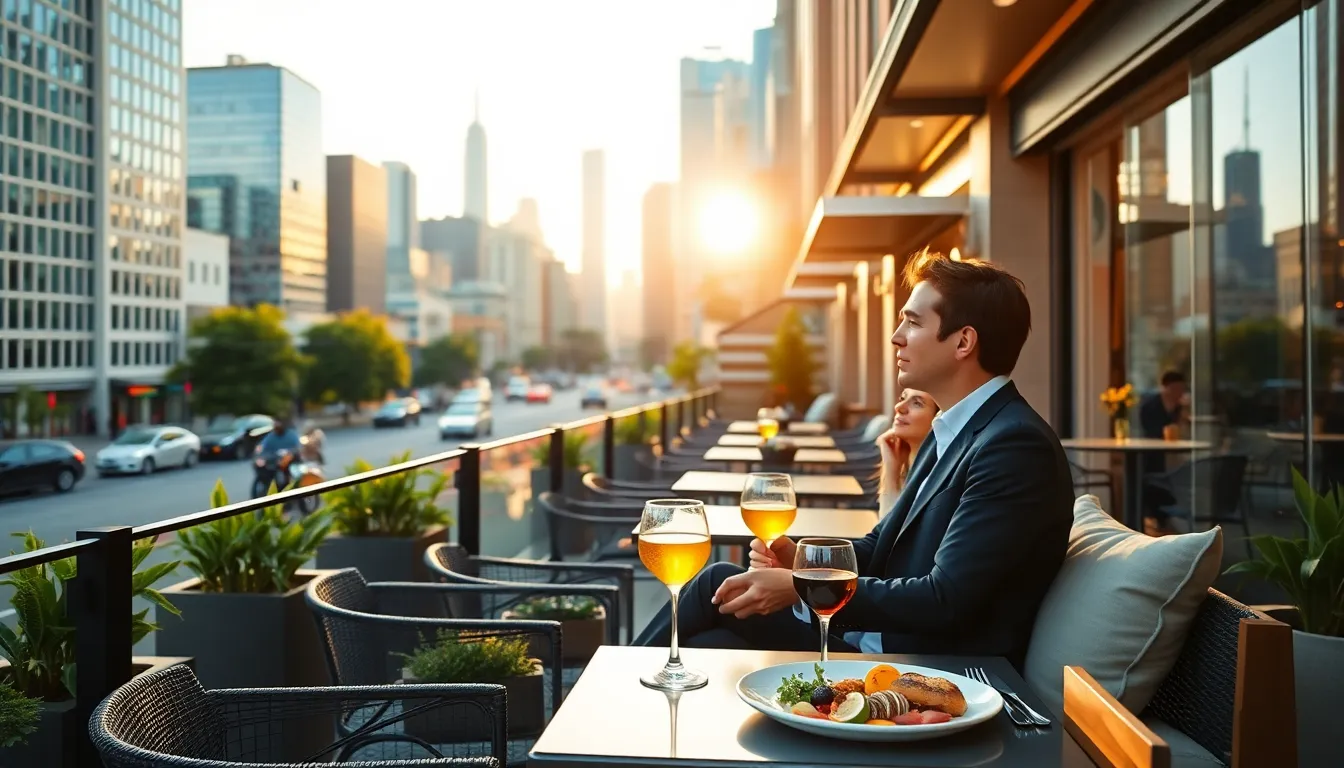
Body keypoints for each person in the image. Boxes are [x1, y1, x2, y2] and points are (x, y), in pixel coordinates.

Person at [634, 249, 1075, 669]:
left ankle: (601, 699)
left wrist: (801, 587)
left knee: (712, 595)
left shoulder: (1013, 446)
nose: (896, 336)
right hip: (882, 639)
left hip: (929, 664)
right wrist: (800, 559)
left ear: (963, 342)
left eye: (913, 323)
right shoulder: (955, 430)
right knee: (710, 639)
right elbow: (879, 548)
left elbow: (946, 600)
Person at [1137, 370, 1188, 535]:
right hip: (1152, 453)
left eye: (1181, 388)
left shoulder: (1180, 407)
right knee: (1153, 474)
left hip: (1171, 454)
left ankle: (1163, 519)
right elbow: (1150, 431)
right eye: (1175, 388)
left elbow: (1181, 429)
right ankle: (1154, 517)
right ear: (1166, 388)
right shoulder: (1150, 406)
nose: (1179, 392)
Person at [875, 389, 938, 517]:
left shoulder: (936, 480)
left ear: (938, 420)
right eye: (902, 398)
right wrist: (890, 469)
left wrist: (891, 480)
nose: (899, 407)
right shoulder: (905, 466)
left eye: (917, 403)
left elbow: (890, 534)